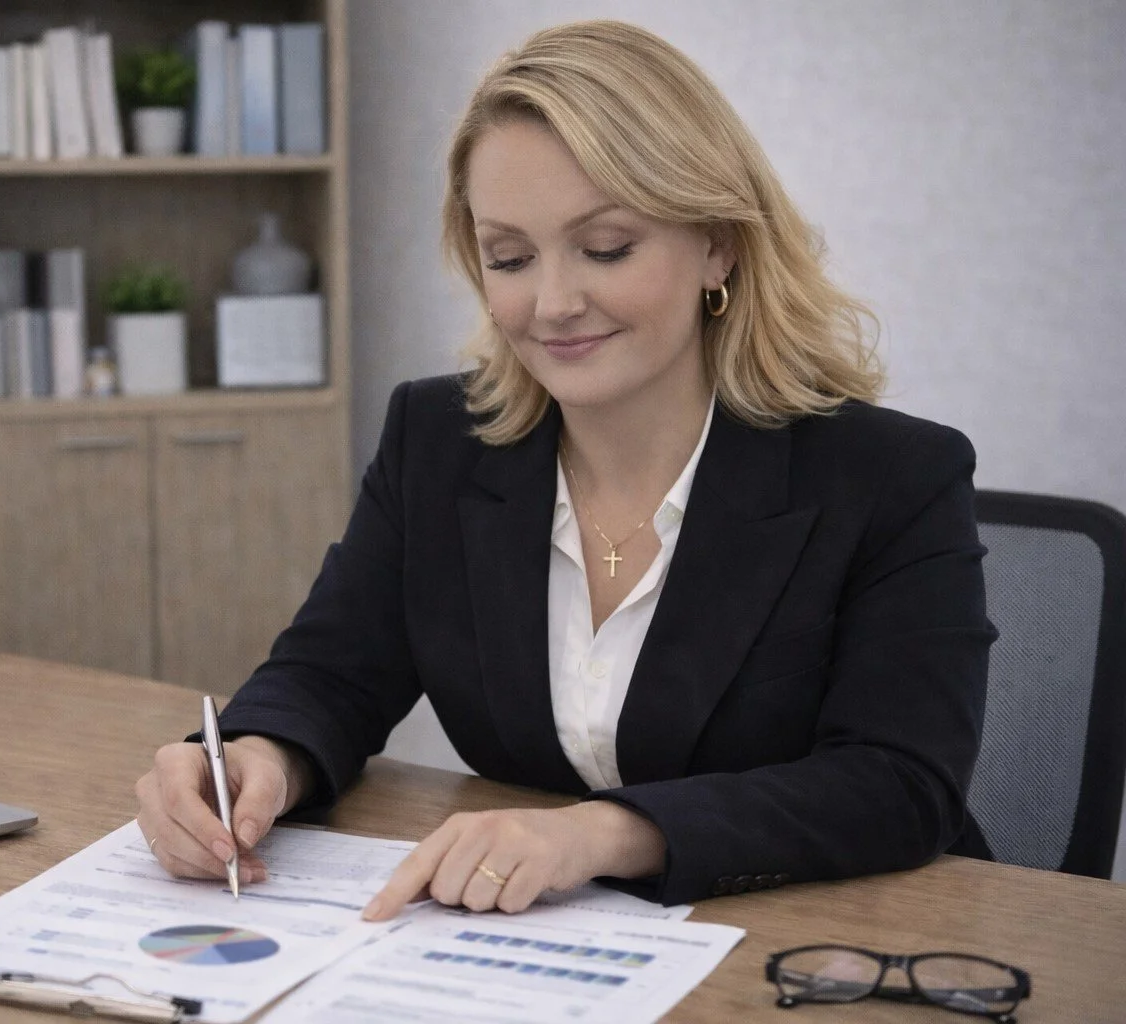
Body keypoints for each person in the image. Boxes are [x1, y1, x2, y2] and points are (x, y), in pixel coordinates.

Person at [134, 19, 995, 915]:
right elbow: (332, 673)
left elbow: (901, 782)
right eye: (509, 257)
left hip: (837, 944)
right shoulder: (437, 439)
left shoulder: (894, 476)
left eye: (607, 247)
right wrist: (254, 758)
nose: (552, 304)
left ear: (718, 244)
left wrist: (601, 834)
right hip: (544, 958)